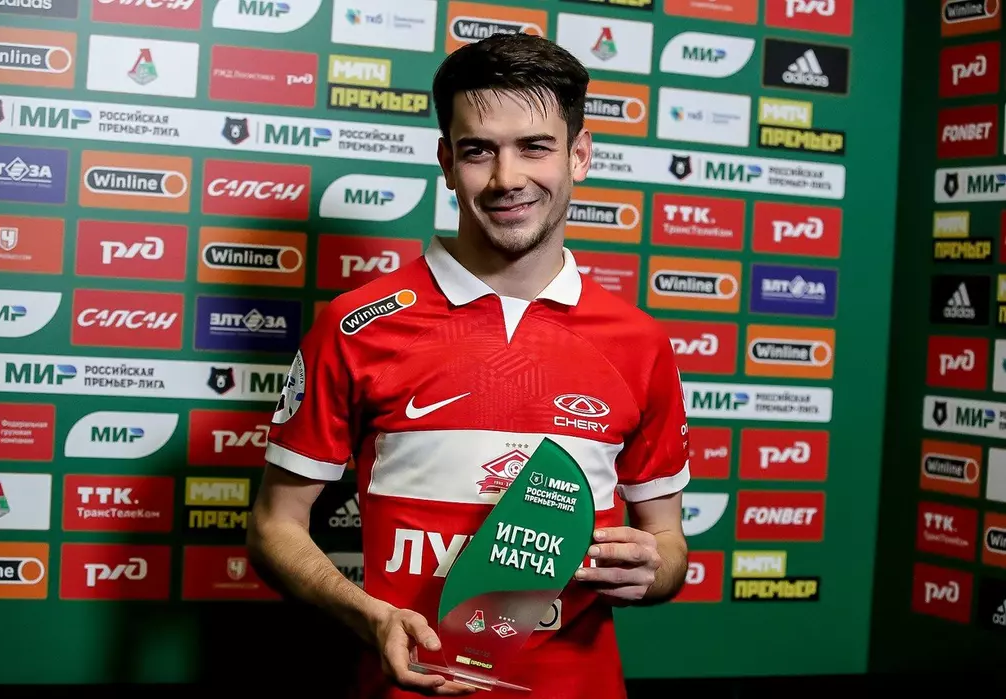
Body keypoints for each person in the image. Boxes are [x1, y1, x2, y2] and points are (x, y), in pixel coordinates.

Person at [246, 33, 691, 699]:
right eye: (480, 150)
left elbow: (668, 543)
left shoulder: (640, 342)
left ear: (580, 154)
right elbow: (273, 525)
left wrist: (649, 573)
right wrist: (368, 616)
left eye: (534, 147)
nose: (507, 178)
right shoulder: (357, 324)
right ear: (447, 162)